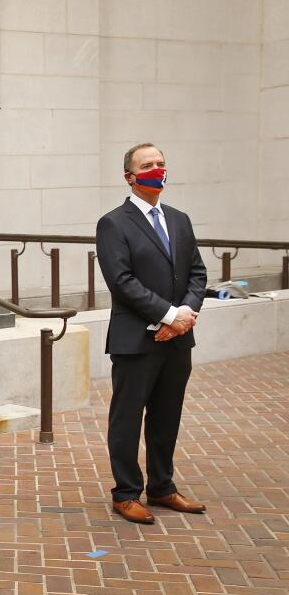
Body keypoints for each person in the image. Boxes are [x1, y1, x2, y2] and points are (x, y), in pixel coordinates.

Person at [97, 143, 207, 524]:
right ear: (129, 176)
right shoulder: (113, 223)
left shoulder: (180, 219)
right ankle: (126, 492)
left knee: (166, 416)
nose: (156, 170)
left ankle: (162, 487)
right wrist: (167, 314)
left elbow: (197, 273)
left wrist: (184, 317)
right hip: (136, 340)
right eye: (147, 165)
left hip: (177, 339)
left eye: (161, 164)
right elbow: (122, 281)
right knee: (127, 418)